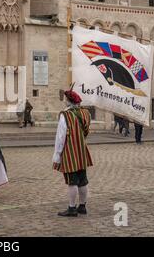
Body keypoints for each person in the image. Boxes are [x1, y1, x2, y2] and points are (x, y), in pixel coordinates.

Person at [53, 88, 93, 217]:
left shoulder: (65, 115)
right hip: (81, 149)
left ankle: (71, 208)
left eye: (66, 99)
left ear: (69, 101)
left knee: (72, 181)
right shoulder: (86, 113)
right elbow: (86, 131)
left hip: (70, 150)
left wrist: (57, 153)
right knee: (82, 180)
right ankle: (82, 206)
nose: (64, 101)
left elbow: (61, 136)